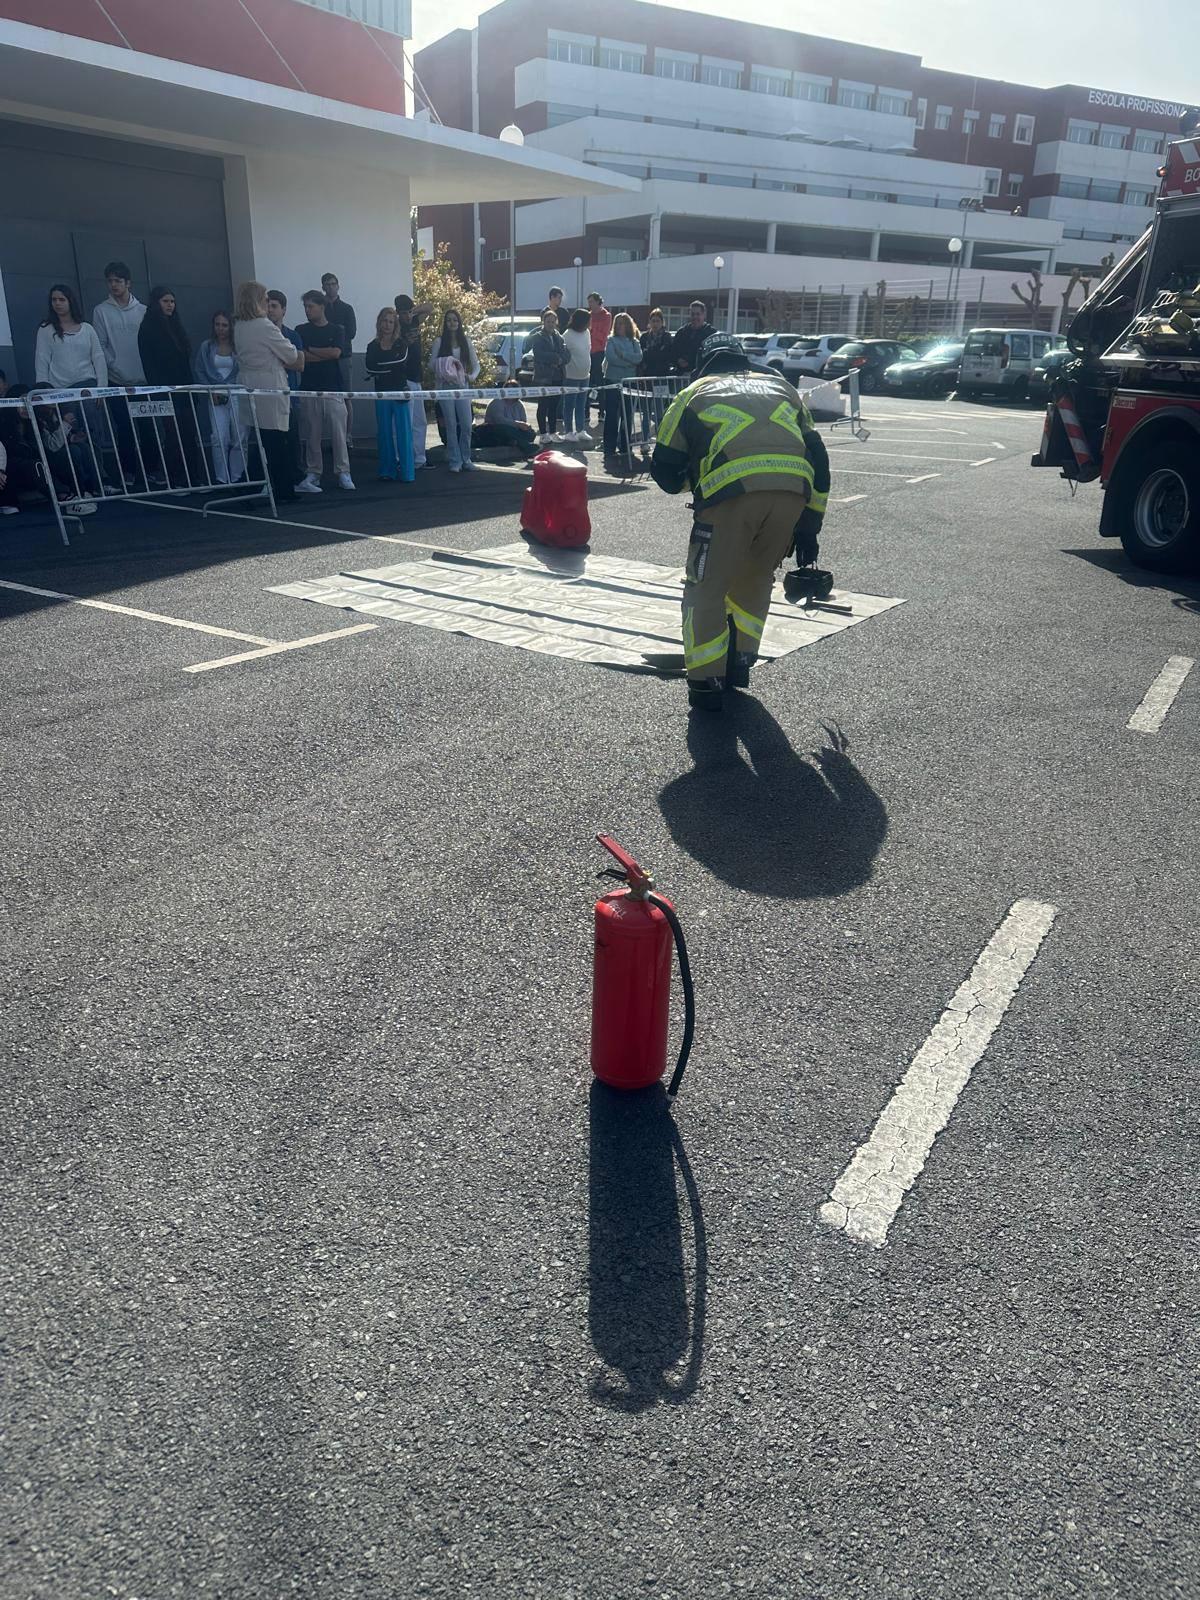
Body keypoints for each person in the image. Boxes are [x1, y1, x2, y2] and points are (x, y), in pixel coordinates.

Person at [650, 332, 830, 711]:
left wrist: (694, 477)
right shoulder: (782, 387)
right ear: (743, 360)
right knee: (756, 579)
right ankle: (740, 663)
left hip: (729, 498)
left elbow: (665, 471)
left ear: (705, 363)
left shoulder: (693, 393)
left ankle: (705, 681)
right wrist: (810, 524)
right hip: (791, 495)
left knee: (706, 587)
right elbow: (820, 458)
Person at [232, 279, 305, 504]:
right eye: (264, 298)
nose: (267, 302)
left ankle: (253, 485)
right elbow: (292, 355)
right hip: (270, 387)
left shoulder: (239, 326)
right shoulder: (263, 325)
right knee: (275, 441)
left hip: (251, 386)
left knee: (264, 440)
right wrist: (291, 357)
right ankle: (279, 489)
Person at [137, 284, 203, 484]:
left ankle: (194, 477)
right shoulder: (147, 328)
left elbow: (184, 360)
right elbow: (149, 365)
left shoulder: (176, 326)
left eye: (172, 301)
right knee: (173, 435)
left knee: (189, 433)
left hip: (184, 390)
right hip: (165, 390)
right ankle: (175, 477)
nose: (170, 305)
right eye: (165, 301)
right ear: (156, 302)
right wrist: (160, 390)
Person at [295, 290, 353, 493]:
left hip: (333, 388)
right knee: (312, 434)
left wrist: (314, 350)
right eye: (305, 307)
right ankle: (314, 472)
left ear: (322, 306)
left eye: (311, 306)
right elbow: (302, 357)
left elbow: (336, 352)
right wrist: (324, 353)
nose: (307, 310)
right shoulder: (300, 329)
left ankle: (343, 472)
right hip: (309, 389)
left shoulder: (337, 329)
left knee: (339, 433)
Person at [193, 310, 246, 485]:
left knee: (239, 436)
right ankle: (222, 478)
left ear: (231, 326)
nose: (221, 329)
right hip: (215, 394)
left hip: (237, 392)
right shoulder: (207, 346)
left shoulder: (239, 346)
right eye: (217, 325)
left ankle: (238, 476)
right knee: (218, 436)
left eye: (224, 325)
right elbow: (199, 370)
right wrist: (209, 391)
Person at [365, 305, 415, 483]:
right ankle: (387, 470)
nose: (387, 325)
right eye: (384, 321)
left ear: (395, 325)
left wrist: (381, 368)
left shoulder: (401, 344)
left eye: (391, 322)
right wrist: (387, 368)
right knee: (384, 433)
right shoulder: (372, 345)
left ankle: (408, 472)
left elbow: (400, 361)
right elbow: (369, 367)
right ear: (379, 323)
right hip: (380, 393)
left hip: (400, 392)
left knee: (404, 433)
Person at [432, 309, 480, 473]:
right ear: (445, 323)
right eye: (448, 320)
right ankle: (455, 460)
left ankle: (466, 458)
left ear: (459, 323)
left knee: (466, 425)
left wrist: (470, 377)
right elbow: (431, 364)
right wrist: (445, 365)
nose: (452, 323)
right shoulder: (439, 341)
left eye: (455, 320)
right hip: (445, 388)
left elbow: (476, 366)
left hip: (463, 388)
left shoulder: (466, 341)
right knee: (451, 425)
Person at [35, 285, 108, 390]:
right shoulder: (45, 329)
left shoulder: (88, 329)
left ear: (70, 301)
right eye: (54, 300)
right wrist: (43, 389)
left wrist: (102, 388)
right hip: (60, 390)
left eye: (62, 300)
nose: (57, 303)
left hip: (88, 386)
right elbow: (41, 360)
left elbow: (98, 358)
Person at [266, 289, 304, 485]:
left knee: (292, 438)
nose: (270, 310)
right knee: (272, 441)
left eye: (274, 306)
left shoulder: (293, 335)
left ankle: (296, 478)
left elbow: (299, 364)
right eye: (267, 306)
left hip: (290, 395)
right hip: (268, 397)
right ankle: (273, 481)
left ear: (284, 310)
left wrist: (275, 361)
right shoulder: (261, 335)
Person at [395, 294, 434, 469]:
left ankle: (420, 458)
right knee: (405, 423)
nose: (407, 316)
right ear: (398, 313)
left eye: (408, 312)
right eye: (403, 313)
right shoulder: (396, 327)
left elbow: (429, 306)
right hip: (404, 378)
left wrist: (413, 312)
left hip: (417, 378)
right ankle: (402, 458)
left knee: (420, 422)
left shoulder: (415, 321)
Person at [92, 262, 146, 387]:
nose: (113, 285)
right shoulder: (101, 311)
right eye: (110, 281)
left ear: (128, 283)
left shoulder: (144, 311)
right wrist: (114, 365)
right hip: (115, 380)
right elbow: (99, 344)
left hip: (144, 380)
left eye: (118, 281)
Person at [321, 272, 357, 440]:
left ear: (338, 285)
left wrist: (334, 336)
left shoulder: (347, 308)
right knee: (326, 398)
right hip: (324, 359)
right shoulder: (320, 309)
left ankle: (348, 435)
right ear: (323, 287)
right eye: (327, 284)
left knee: (346, 396)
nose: (330, 287)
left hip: (344, 357)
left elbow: (351, 332)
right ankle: (331, 436)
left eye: (333, 283)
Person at [602, 312, 643, 457]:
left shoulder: (635, 342)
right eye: (617, 323)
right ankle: (609, 447)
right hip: (613, 381)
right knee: (612, 416)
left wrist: (623, 355)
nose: (619, 326)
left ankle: (625, 446)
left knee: (627, 415)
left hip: (628, 384)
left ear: (628, 325)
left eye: (622, 323)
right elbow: (611, 358)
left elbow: (638, 358)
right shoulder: (611, 341)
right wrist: (628, 363)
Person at [528, 308, 568, 441]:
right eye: (548, 321)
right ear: (543, 322)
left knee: (554, 406)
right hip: (544, 377)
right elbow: (539, 355)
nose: (551, 324)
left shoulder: (559, 337)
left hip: (558, 376)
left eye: (553, 321)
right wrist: (556, 358)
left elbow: (567, 355)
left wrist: (560, 360)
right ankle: (543, 434)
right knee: (543, 405)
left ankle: (553, 431)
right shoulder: (537, 337)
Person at [472, 380, 538, 460]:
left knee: (531, 433)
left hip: (514, 430)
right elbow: (499, 420)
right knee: (505, 428)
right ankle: (527, 447)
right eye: (508, 390)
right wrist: (517, 424)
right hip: (494, 430)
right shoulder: (497, 401)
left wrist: (526, 426)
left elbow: (523, 421)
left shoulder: (519, 404)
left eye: (513, 391)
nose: (510, 393)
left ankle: (516, 441)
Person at [562, 306, 592, 443]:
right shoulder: (567, 335)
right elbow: (564, 355)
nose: (589, 324)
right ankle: (568, 431)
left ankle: (580, 430)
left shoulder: (586, 333)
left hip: (585, 375)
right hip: (571, 376)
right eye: (588, 321)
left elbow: (587, 350)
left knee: (581, 404)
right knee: (569, 404)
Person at [586, 292, 613, 426]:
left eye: (591, 301)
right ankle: (586, 413)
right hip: (588, 352)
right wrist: (592, 331)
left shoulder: (606, 316)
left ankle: (602, 412)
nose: (589, 304)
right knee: (587, 383)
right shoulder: (588, 315)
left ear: (598, 301)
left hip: (600, 353)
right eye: (588, 302)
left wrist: (592, 330)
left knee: (601, 384)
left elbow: (603, 335)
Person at [672, 301, 717, 377]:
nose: (695, 317)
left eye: (698, 314)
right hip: (681, 377)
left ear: (704, 315)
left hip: (703, 377)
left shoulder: (711, 333)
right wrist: (678, 360)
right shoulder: (681, 332)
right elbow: (673, 352)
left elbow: (713, 356)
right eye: (692, 314)